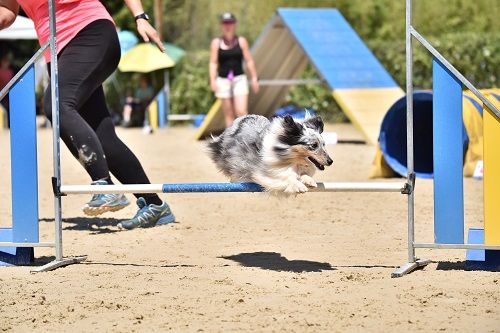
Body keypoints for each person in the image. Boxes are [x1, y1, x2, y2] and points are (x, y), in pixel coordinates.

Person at [0, 0, 174, 230]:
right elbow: (8, 13)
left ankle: (104, 186)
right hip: (60, 52)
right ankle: (154, 205)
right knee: (102, 138)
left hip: (90, 32)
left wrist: (140, 16)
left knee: (57, 104)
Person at [209, 12, 259, 127]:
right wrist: (212, 80)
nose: (227, 25)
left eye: (230, 22)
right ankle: (230, 142)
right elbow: (212, 63)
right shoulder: (216, 43)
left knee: (241, 111)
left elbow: (249, 61)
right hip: (223, 80)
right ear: (221, 25)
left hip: (239, 79)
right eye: (225, 22)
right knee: (229, 114)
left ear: (234, 24)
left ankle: (245, 137)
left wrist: (255, 77)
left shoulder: (241, 41)